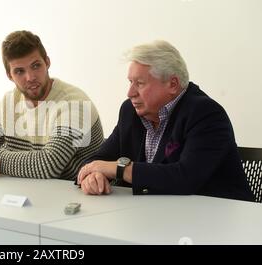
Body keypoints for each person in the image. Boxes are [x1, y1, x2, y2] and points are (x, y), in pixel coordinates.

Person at [77, 40, 254, 202]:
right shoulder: (130, 111)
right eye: (130, 82)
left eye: (139, 83)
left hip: (220, 221)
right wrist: (93, 176)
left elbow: (185, 178)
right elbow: (97, 161)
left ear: (173, 84)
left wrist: (120, 169)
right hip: (154, 215)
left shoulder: (206, 114)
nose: (130, 92)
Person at [0, 30, 103, 180]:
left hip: (80, 196)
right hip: (29, 192)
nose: (30, 77)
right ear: (9, 75)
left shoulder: (74, 103)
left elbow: (48, 166)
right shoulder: (10, 102)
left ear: (47, 62)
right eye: (19, 71)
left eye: (36, 66)